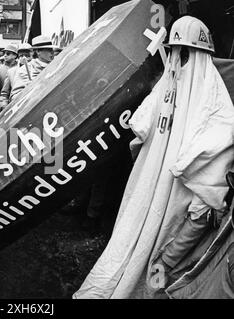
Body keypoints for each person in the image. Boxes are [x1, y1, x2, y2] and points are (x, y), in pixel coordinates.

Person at [73, 16, 234, 299]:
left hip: (169, 209)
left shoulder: (214, 108)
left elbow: (138, 136)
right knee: (140, 269)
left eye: (182, 54)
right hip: (151, 200)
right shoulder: (180, 94)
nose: (178, 61)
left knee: (149, 272)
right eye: (175, 54)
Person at [11, 35, 55, 101]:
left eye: (52, 49)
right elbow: (15, 97)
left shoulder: (56, 65)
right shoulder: (24, 70)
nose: (52, 52)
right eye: (48, 49)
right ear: (38, 51)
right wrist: (28, 90)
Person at [0, 43, 33, 109]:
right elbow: (4, 94)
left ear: (32, 56)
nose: (24, 58)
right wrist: (4, 108)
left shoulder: (36, 70)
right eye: (21, 55)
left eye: (27, 55)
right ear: (18, 57)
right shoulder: (11, 72)